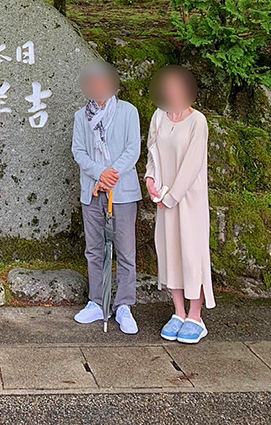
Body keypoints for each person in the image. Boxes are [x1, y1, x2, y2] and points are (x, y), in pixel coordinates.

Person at [145, 65, 215, 345]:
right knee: (169, 252)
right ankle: (178, 312)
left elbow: (192, 165)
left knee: (191, 254)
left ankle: (195, 316)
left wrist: (170, 197)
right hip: (163, 199)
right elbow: (152, 153)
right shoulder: (159, 117)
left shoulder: (198, 121)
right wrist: (151, 182)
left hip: (189, 201)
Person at [72, 61, 142, 335]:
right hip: (93, 189)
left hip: (122, 191)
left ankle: (124, 304)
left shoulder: (128, 112)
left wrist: (112, 174)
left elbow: (132, 149)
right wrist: (100, 174)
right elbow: (79, 151)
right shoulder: (82, 116)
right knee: (95, 249)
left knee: (125, 250)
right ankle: (97, 302)